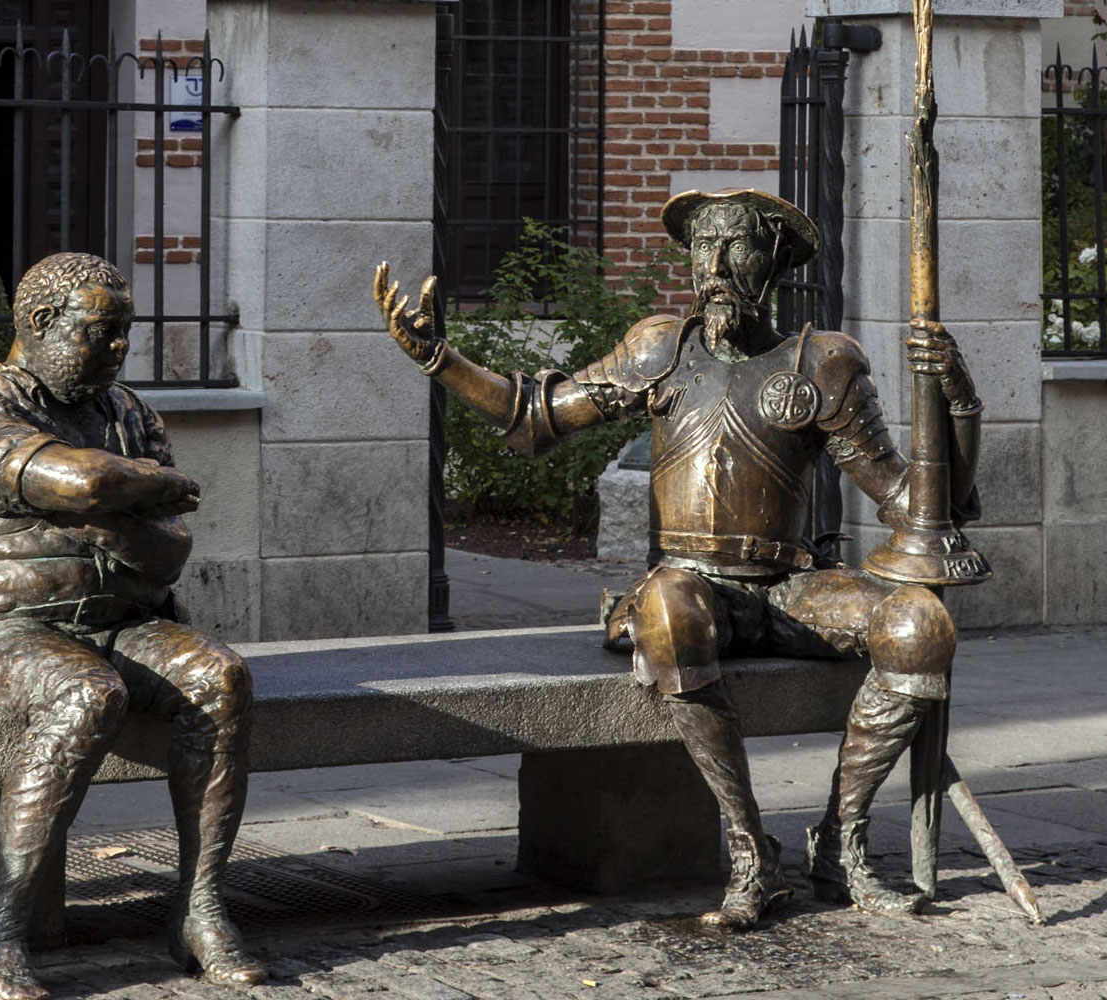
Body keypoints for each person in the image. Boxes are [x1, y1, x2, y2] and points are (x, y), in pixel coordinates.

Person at [374, 189, 983, 930]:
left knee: (918, 626)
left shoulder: (821, 365)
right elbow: (536, 417)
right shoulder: (659, 349)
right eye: (703, 248)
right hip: (690, 586)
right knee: (666, 610)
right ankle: (751, 849)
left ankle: (840, 841)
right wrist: (442, 360)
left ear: (777, 263)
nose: (717, 266)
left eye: (738, 248)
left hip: (789, 586)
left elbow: (915, 505)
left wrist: (958, 402)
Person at [0, 252, 267, 1000]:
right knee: (87, 694)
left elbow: (170, 551)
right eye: (102, 332)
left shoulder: (128, 413)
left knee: (221, 676)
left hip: (122, 619)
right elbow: (84, 481)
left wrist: (121, 511)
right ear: (42, 323)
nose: (118, 350)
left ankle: (199, 909)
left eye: (125, 334)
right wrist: (153, 486)